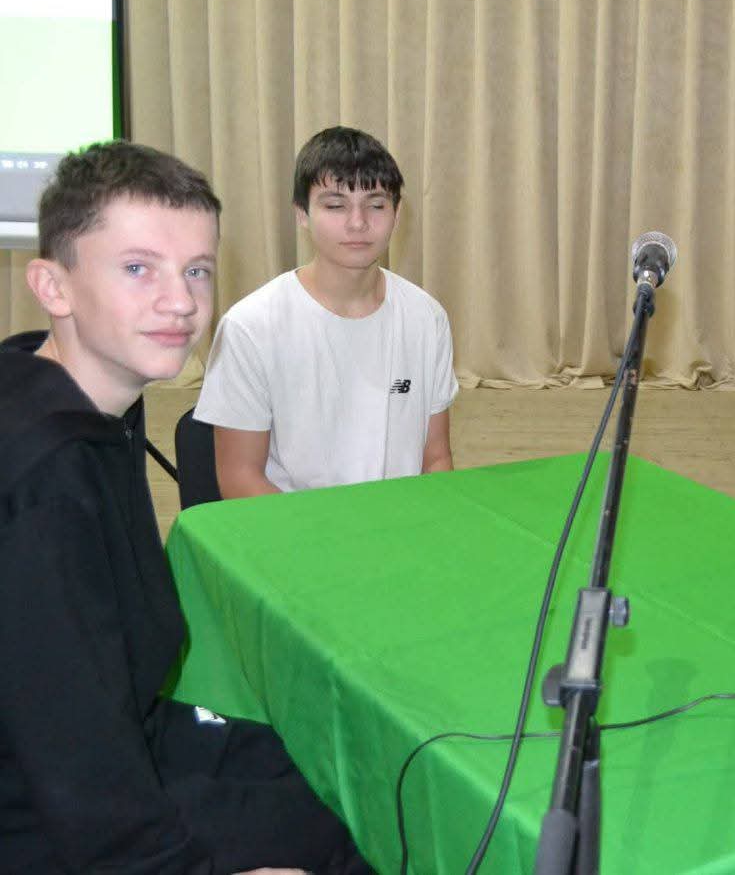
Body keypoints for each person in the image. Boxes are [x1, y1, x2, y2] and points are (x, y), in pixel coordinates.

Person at [0, 141, 371, 873]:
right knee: (352, 837)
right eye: (138, 268)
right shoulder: (43, 484)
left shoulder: (75, 391)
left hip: (121, 740)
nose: (181, 302)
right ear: (53, 285)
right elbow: (77, 773)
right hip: (44, 815)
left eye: (196, 270)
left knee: (350, 774)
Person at [196, 126, 458, 496]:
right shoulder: (250, 327)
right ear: (302, 214)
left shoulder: (426, 317)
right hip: (297, 524)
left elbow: (436, 459)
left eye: (376, 205)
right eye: (335, 205)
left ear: (397, 214)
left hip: (403, 521)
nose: (357, 222)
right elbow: (240, 478)